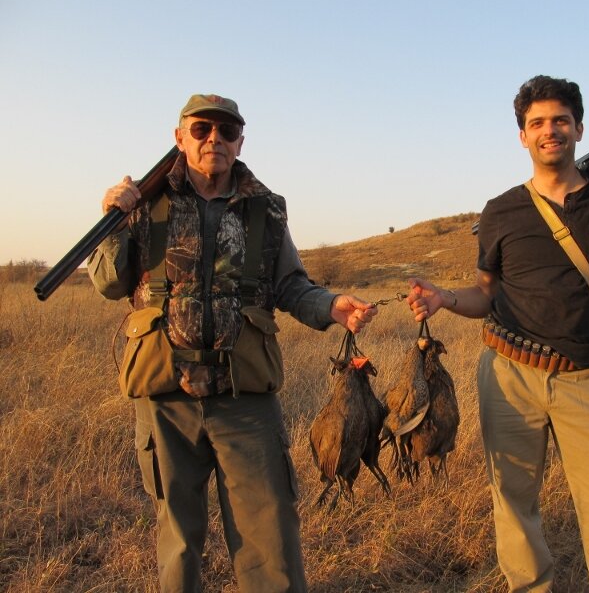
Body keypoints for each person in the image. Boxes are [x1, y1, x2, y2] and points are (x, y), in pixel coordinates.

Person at [406, 76, 589, 592]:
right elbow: (486, 294)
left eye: (561, 121)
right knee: (515, 507)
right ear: (522, 136)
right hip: (509, 378)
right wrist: (443, 299)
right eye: (537, 123)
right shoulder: (501, 209)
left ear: (579, 128)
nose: (550, 131)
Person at [88, 93, 377, 593]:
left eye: (226, 131)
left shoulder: (263, 209)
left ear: (241, 140)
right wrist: (113, 216)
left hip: (245, 394)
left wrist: (331, 307)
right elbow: (110, 284)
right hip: (165, 395)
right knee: (178, 538)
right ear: (180, 138)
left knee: (271, 534)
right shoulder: (145, 203)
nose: (214, 140)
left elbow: (289, 285)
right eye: (201, 130)